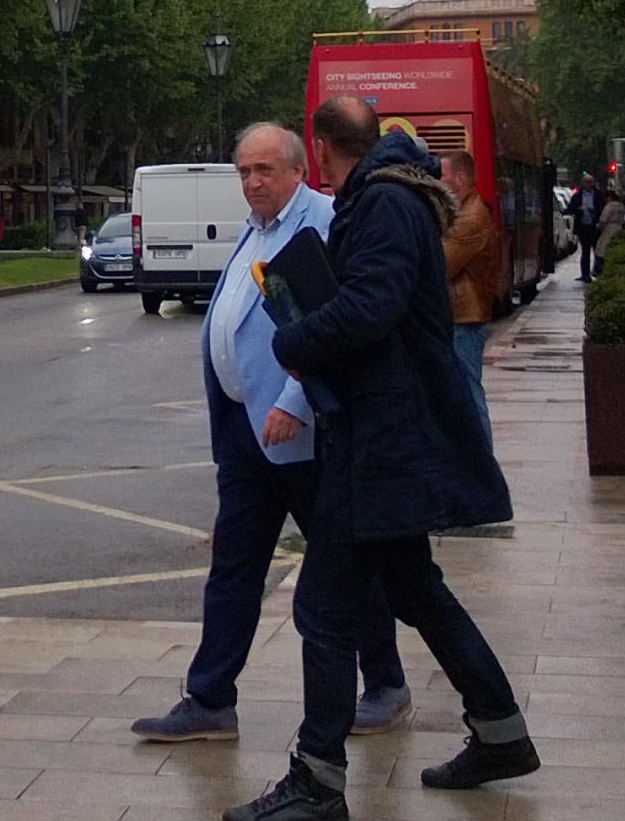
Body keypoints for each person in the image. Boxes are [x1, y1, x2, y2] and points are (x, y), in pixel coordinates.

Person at [233, 98, 537, 820]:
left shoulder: (384, 203)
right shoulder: (388, 196)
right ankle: (500, 732)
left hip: (382, 437)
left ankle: (317, 782)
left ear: (321, 149)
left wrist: (294, 339)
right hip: (382, 430)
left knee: (323, 605)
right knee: (414, 588)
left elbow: (372, 306)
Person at [133, 123, 414, 749]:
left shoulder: (323, 223)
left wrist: (295, 402)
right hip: (244, 429)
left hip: (300, 430)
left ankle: (386, 683)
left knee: (346, 565)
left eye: (264, 170)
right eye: (244, 172)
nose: (252, 182)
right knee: (234, 565)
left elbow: (335, 324)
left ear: (298, 170)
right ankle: (210, 699)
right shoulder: (255, 229)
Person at [439, 150, 504, 429]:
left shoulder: (470, 218)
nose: (437, 182)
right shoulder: (461, 212)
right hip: (459, 318)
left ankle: (481, 453)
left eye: (441, 176)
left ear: (460, 178)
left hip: (464, 319)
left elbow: (441, 263)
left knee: (468, 396)